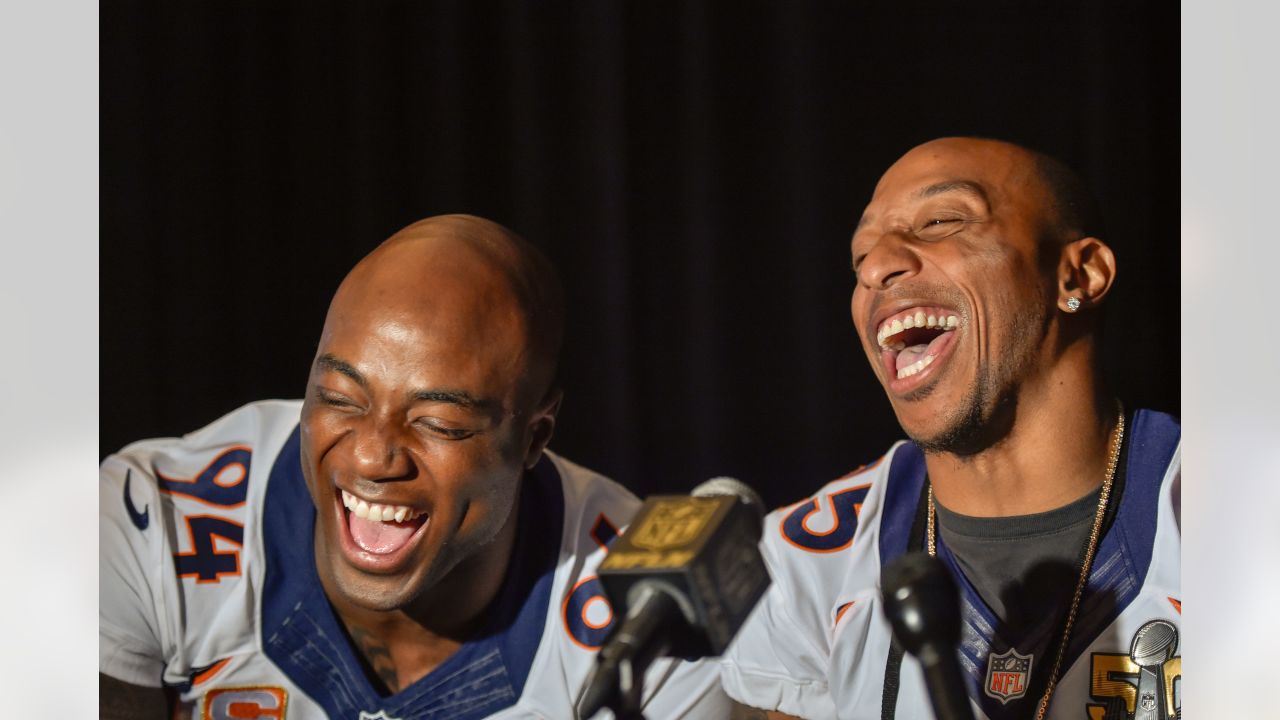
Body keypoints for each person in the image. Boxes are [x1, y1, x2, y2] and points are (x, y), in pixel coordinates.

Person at [99, 214, 730, 719]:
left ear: (535, 436)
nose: (373, 454)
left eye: (439, 423)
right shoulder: (151, 517)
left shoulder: (651, 613)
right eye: (341, 400)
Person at [721, 138, 1181, 720]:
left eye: (940, 221)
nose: (878, 267)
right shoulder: (801, 567)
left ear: (1080, 274)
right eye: (860, 258)